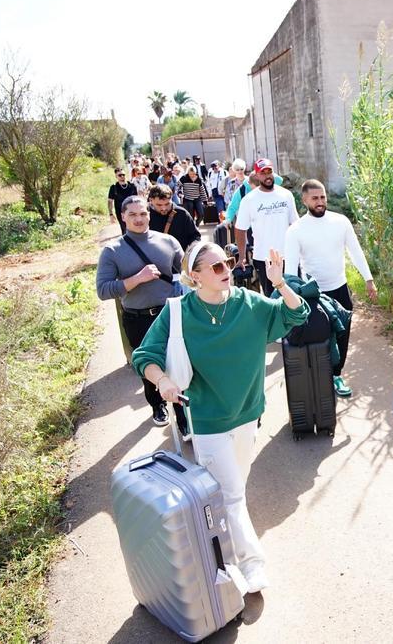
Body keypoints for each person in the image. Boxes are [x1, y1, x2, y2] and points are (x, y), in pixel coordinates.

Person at [132, 242, 308, 594]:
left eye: (227, 262)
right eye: (215, 267)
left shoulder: (249, 303)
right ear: (194, 276)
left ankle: (222, 553)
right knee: (231, 494)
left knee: (235, 489)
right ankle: (250, 564)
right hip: (207, 419)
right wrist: (162, 380)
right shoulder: (179, 312)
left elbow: (295, 315)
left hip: (247, 414)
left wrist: (280, 283)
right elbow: (145, 355)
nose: (226, 269)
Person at [95, 195, 189, 434]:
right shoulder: (112, 251)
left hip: (170, 315)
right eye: (133, 215)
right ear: (123, 217)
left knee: (177, 364)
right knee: (148, 366)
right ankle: (157, 405)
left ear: (149, 214)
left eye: (143, 213)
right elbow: (103, 290)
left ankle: (183, 416)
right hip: (137, 318)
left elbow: (187, 273)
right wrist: (136, 279)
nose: (139, 219)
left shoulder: (168, 241)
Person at [283, 178, 377, 397]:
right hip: (313, 294)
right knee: (319, 338)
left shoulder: (340, 221)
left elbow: (355, 251)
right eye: (315, 198)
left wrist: (368, 279)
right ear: (304, 200)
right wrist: (289, 296)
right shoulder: (295, 230)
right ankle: (317, 377)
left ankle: (336, 375)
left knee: (343, 335)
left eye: (323, 197)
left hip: (340, 289)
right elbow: (290, 269)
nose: (320, 201)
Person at [235, 158, 297, 295]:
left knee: (293, 296)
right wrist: (241, 257)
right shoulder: (249, 200)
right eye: (263, 172)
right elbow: (240, 229)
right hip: (264, 258)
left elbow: (295, 225)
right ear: (257, 175)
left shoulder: (286, 195)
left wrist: (301, 252)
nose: (267, 176)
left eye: (269, 171)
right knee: (271, 298)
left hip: (288, 256)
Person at [147, 184, 199, 250]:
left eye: (167, 204)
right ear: (151, 200)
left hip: (180, 258)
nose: (163, 208)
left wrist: (192, 249)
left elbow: (195, 236)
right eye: (159, 205)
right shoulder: (143, 215)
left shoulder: (182, 214)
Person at [107, 168, 137, 235]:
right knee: (124, 230)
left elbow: (136, 199)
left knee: (134, 228)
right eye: (120, 175)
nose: (122, 177)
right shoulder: (114, 188)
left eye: (123, 175)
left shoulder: (132, 186)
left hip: (132, 211)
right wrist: (111, 214)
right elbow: (110, 201)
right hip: (121, 213)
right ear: (116, 177)